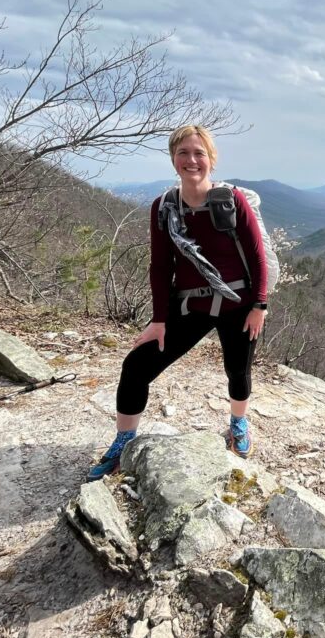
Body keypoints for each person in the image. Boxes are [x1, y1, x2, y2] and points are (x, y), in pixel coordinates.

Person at [87, 124, 268, 480]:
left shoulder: (232, 201)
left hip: (239, 305)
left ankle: (238, 423)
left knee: (238, 371)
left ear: (211, 159)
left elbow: (257, 255)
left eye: (199, 153)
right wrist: (159, 320)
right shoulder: (165, 208)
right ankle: (124, 441)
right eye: (183, 153)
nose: (191, 160)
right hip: (191, 307)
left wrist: (259, 305)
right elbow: (160, 267)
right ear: (173, 159)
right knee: (137, 366)